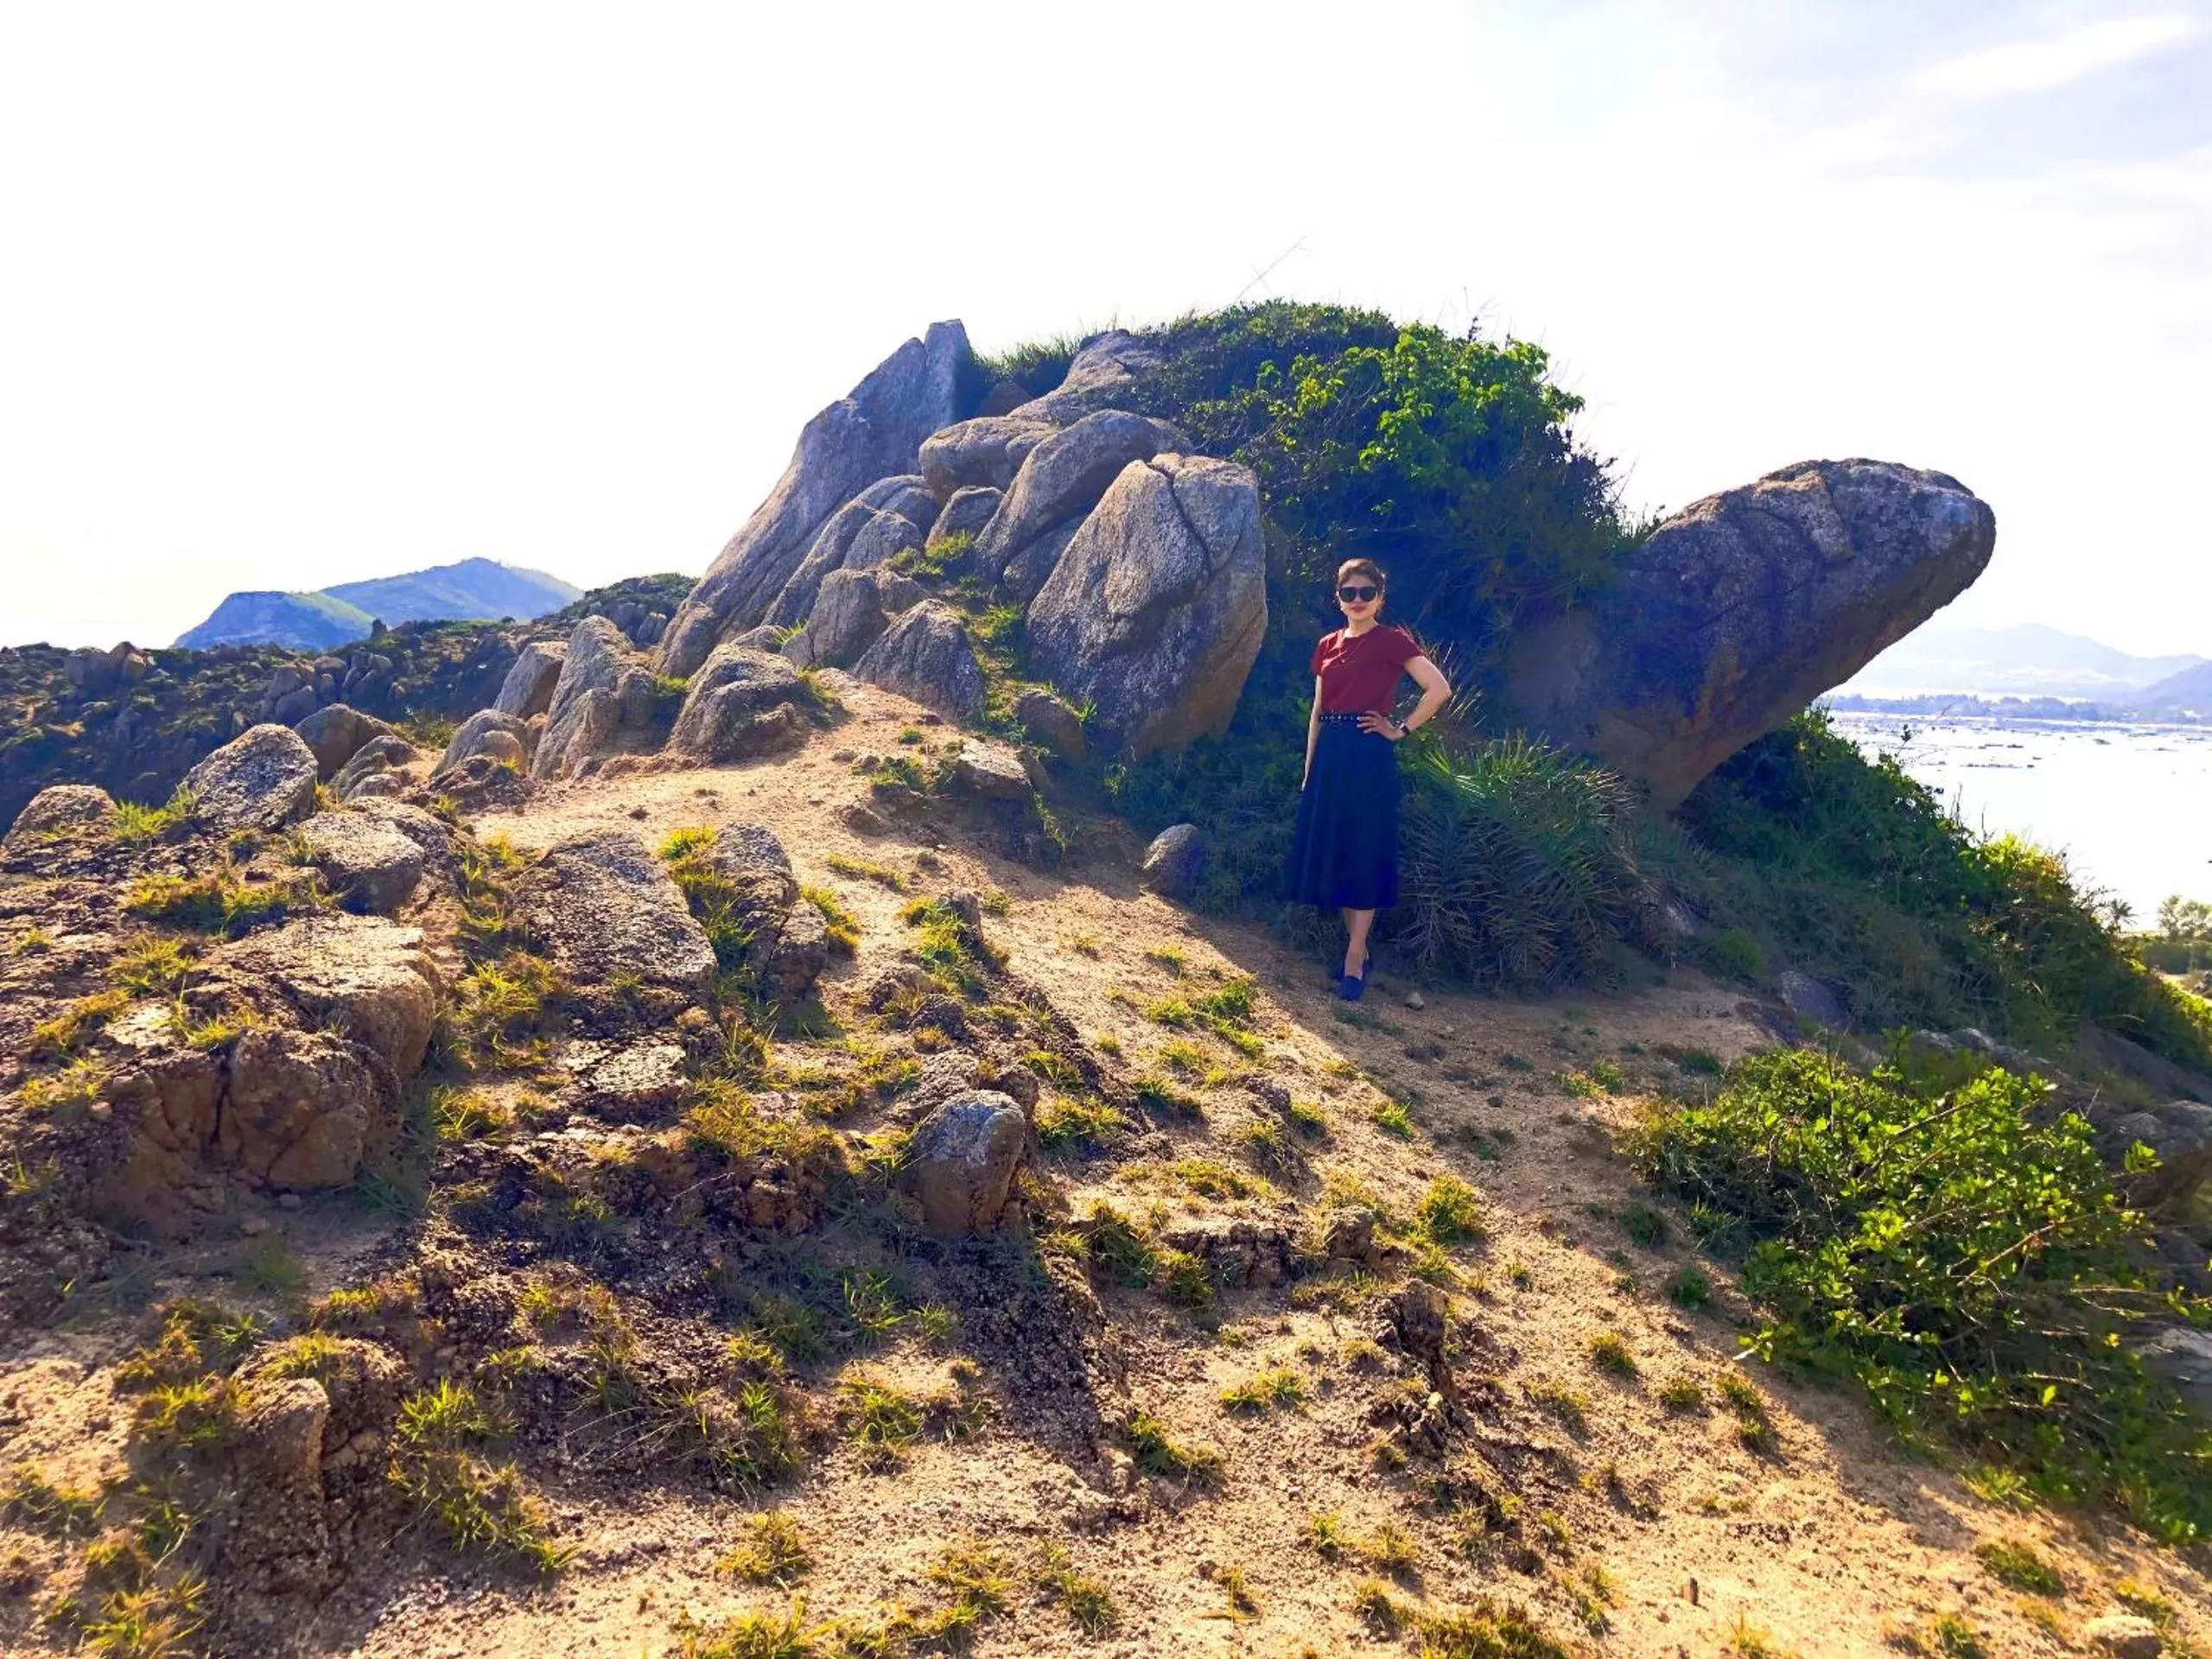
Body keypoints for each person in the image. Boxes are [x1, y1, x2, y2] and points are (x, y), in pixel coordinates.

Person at [1284, 558, 1452, 1001]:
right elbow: (1317, 711)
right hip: (1331, 757)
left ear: (1380, 597)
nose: (1357, 600)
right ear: (1338, 598)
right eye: (1349, 593)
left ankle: (1355, 958)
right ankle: (1357, 951)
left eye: (1366, 592)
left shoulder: (1391, 641)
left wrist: (1401, 729)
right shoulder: (1327, 644)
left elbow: (1439, 689)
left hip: (1367, 755)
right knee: (1340, 853)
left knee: (1363, 852)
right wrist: (1309, 768)